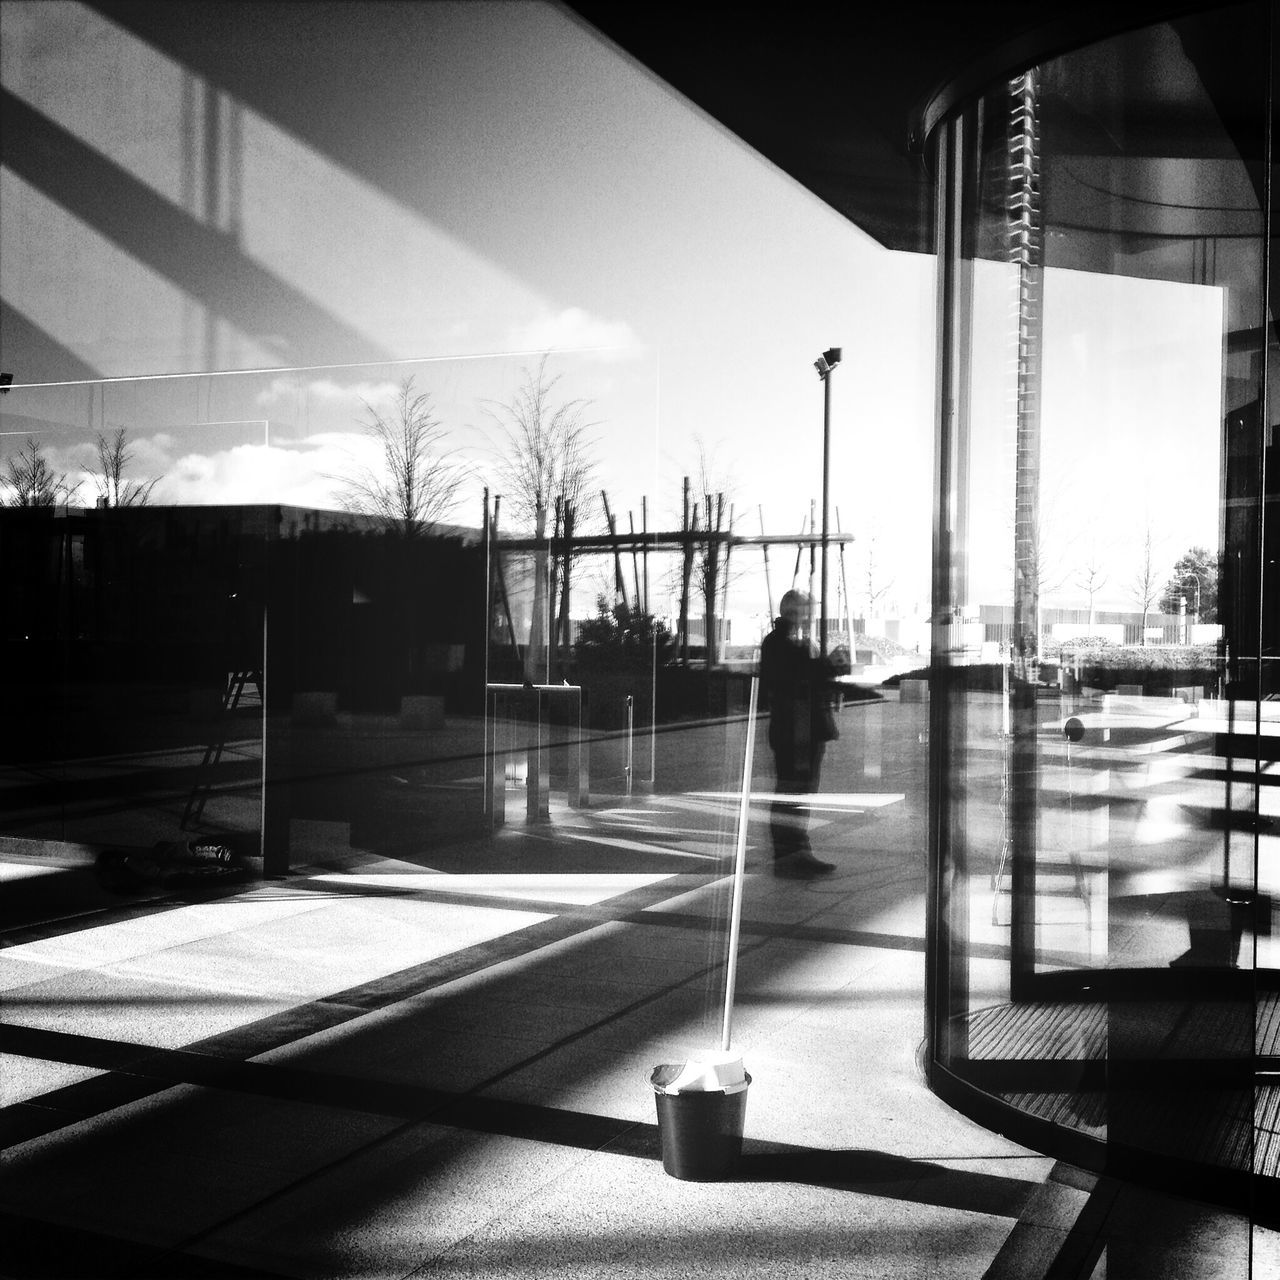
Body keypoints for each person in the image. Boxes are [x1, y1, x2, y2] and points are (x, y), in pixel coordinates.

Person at [759, 589, 839, 878]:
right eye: (805, 612)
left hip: (801, 730)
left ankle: (797, 851)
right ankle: (789, 855)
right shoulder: (783, 644)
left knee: (798, 793)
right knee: (791, 793)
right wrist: (824, 667)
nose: (808, 617)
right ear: (794, 612)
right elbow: (797, 679)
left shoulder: (790, 643)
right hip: (795, 732)